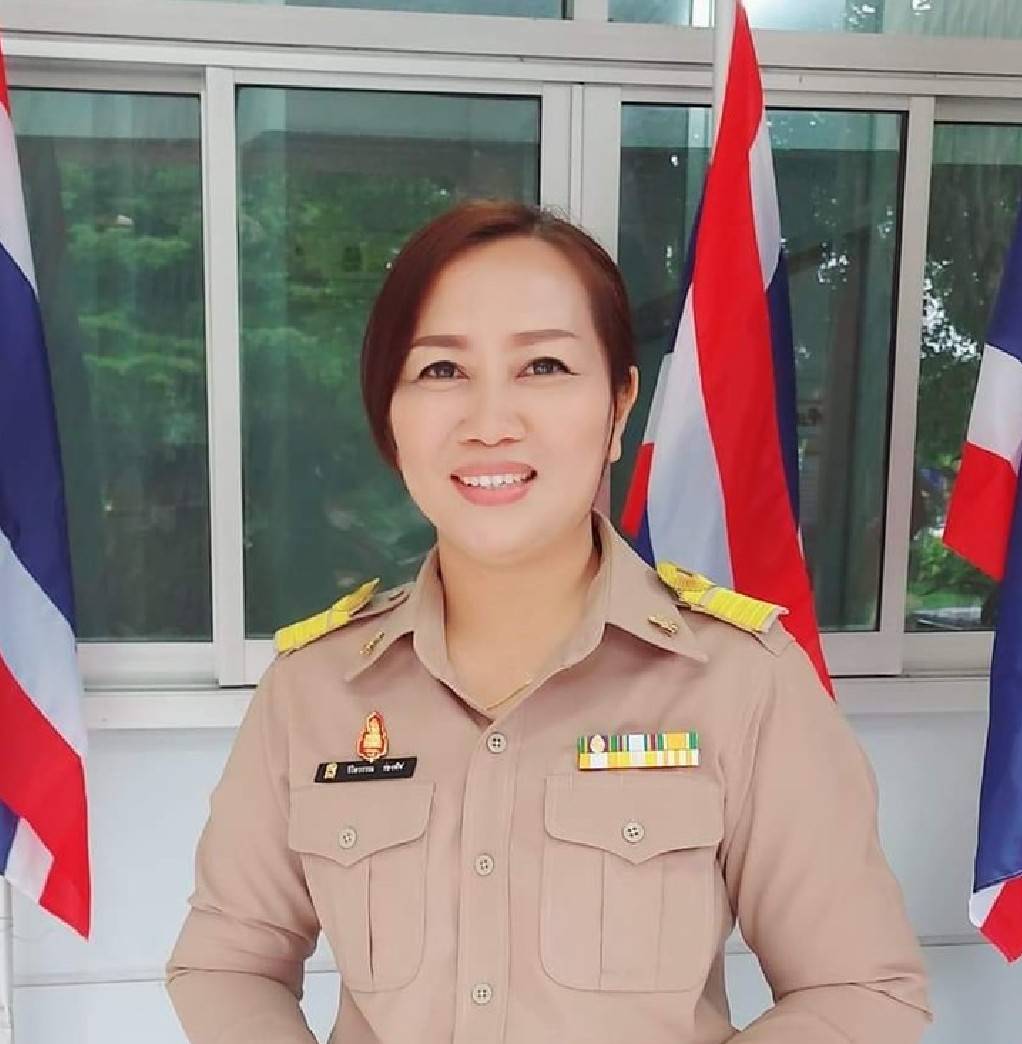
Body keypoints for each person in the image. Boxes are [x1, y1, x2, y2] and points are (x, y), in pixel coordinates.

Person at [165, 198, 933, 1043]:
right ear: (390, 414)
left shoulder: (741, 680)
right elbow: (227, 963)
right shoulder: (313, 690)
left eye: (544, 366)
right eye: (441, 371)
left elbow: (858, 991)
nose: (490, 423)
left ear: (618, 407)